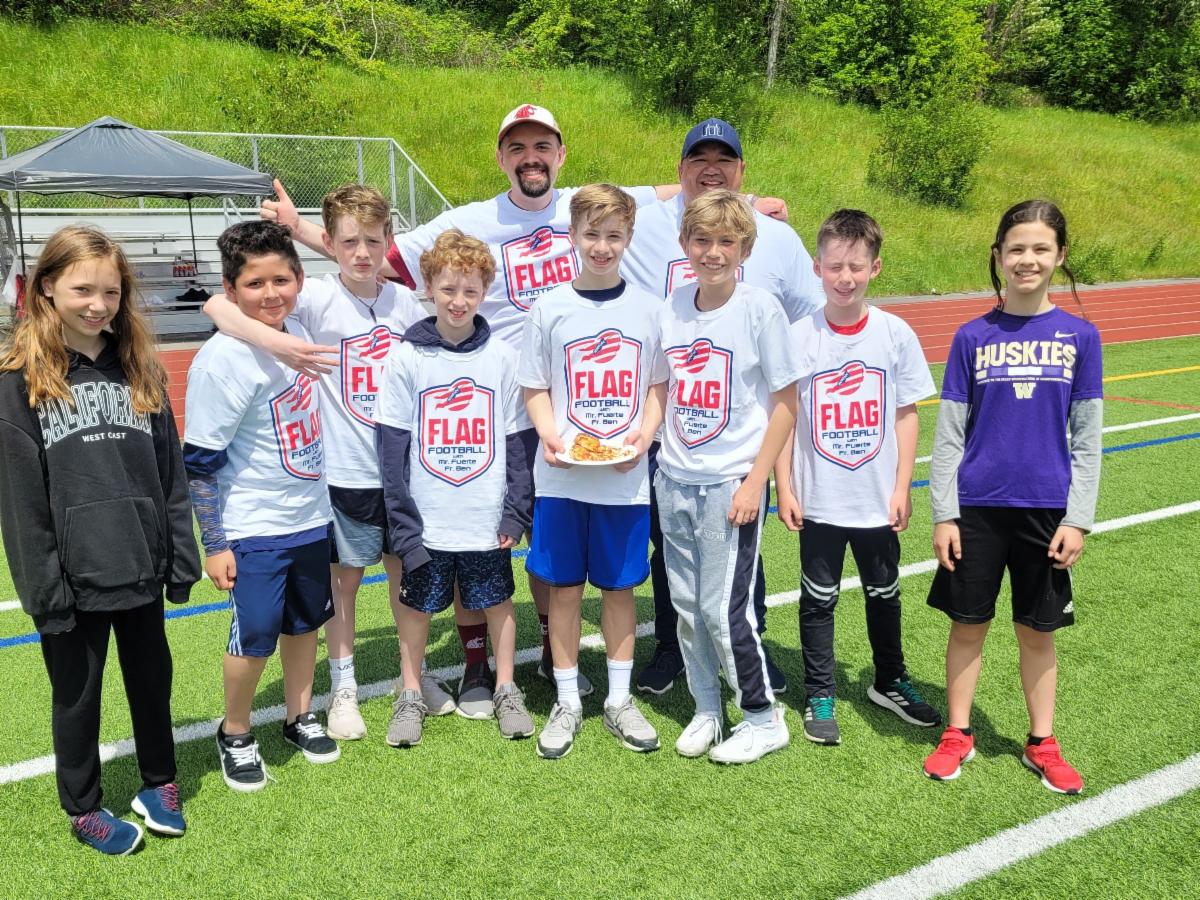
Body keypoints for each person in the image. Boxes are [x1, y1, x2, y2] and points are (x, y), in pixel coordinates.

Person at [261, 106, 786, 707]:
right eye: (518, 148)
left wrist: (748, 200)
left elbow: (673, 190)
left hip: (590, 410)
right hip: (500, 406)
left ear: (561, 156)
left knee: (546, 551)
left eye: (542, 147)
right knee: (488, 536)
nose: (530, 158)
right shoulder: (471, 218)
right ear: (501, 157)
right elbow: (373, 254)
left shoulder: (585, 206)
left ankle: (549, 655)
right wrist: (302, 230)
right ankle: (481, 664)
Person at [202, 185, 445, 741]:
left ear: (388, 242)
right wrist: (281, 345)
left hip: (403, 474)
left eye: (374, 242)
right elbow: (217, 306)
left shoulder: (405, 303)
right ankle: (343, 687)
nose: (362, 253)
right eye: (349, 242)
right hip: (345, 472)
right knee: (343, 586)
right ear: (329, 244)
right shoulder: (313, 297)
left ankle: (415, 676)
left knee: (407, 579)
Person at [0, 225, 200, 854]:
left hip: (139, 564)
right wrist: (44, 590)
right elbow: (21, 503)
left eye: (110, 292)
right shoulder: (17, 381)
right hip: (72, 579)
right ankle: (83, 807)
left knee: (152, 681)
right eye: (82, 290)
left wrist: (180, 555)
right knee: (77, 697)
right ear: (46, 288)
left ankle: (158, 782)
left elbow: (169, 474)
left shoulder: (139, 366)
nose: (98, 304)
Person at [622, 118, 826, 697]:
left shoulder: (776, 239)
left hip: (738, 446)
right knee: (672, 555)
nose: (711, 169)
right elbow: (583, 207)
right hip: (675, 442)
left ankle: (749, 648)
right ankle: (673, 649)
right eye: (699, 159)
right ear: (680, 169)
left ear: (741, 170)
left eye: (724, 160)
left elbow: (813, 314)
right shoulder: (649, 226)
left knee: (739, 560)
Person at [923, 200, 1101, 794]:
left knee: (1037, 631)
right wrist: (944, 513)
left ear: (1060, 256)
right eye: (1016, 248)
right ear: (998, 256)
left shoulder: (1081, 337)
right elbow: (949, 435)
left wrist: (1077, 519)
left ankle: (1041, 742)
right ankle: (957, 732)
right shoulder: (972, 337)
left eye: (1041, 248)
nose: (1028, 259)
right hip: (976, 509)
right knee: (967, 625)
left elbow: (1087, 440)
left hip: (1047, 513)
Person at [774, 209, 942, 747]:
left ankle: (889, 680)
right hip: (820, 499)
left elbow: (906, 414)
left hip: (876, 498)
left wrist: (902, 486)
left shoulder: (894, 334)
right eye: (835, 266)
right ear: (817, 268)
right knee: (818, 599)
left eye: (856, 266)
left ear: (876, 268)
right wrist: (785, 485)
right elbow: (785, 416)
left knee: (884, 593)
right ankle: (820, 692)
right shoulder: (799, 337)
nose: (845, 277)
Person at [185, 221, 341, 793]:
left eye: (281, 280)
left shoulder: (297, 326)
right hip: (253, 526)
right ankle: (235, 731)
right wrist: (215, 543)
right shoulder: (221, 361)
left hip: (310, 516)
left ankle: (299, 715)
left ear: (299, 279)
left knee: (305, 624)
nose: (271, 294)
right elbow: (199, 462)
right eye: (254, 284)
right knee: (254, 635)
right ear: (231, 290)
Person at [519, 185, 667, 759]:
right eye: (591, 234)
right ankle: (567, 701)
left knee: (620, 589)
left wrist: (644, 436)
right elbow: (535, 386)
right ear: (572, 236)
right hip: (562, 478)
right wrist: (549, 434)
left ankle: (619, 700)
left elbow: (657, 385)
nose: (602, 246)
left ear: (629, 238)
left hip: (622, 480)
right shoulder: (550, 307)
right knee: (563, 590)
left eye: (613, 235)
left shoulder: (648, 308)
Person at [653, 191, 799, 764]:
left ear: (745, 249)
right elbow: (662, 387)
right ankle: (707, 708)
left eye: (726, 242)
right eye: (702, 240)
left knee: (724, 610)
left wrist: (755, 480)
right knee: (687, 606)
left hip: (729, 483)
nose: (712, 252)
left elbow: (786, 401)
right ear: (684, 244)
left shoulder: (760, 308)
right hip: (674, 477)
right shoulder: (671, 306)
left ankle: (762, 717)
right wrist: (641, 442)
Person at [375, 229, 535, 746]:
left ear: (485, 290)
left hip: (485, 517)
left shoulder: (503, 357)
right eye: (447, 289)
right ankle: (410, 692)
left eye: (470, 290)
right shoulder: (406, 357)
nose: (458, 300)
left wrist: (515, 511)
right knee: (417, 609)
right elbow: (392, 448)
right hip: (428, 518)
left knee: (498, 603)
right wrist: (402, 520)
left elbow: (516, 442)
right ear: (428, 288)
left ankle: (505, 687)